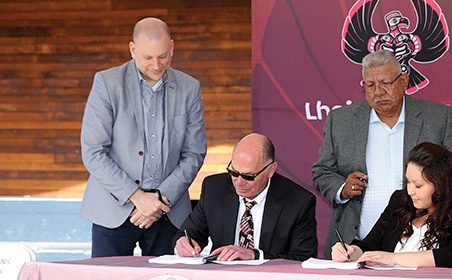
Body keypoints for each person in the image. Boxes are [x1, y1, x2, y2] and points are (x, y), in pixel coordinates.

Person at [313, 50, 452, 259]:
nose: (378, 92)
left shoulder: (437, 118)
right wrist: (342, 189)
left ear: (403, 80)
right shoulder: (340, 121)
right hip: (355, 245)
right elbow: (322, 171)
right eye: (370, 85)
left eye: (385, 83)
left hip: (419, 246)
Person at [80, 17, 207, 257]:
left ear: (172, 47)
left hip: (167, 212)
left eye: (163, 56)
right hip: (114, 210)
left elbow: (194, 153)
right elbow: (93, 151)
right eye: (148, 58)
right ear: (133, 49)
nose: (157, 65)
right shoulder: (106, 83)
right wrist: (137, 198)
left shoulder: (190, 88)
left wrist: (158, 200)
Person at [332, 142, 452, 268]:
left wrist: (394, 258)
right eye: (408, 182)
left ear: (442, 184)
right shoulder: (400, 200)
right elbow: (370, 245)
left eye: (418, 185)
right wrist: (351, 252)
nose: (410, 191)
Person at [173, 133, 317, 261]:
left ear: (271, 170)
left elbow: (302, 258)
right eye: (234, 172)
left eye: (248, 176)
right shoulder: (214, 188)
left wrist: (254, 255)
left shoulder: (298, 201)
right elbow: (189, 233)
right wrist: (183, 243)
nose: (239, 182)